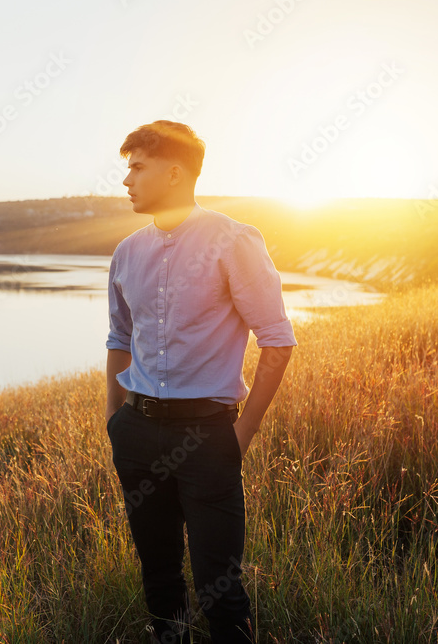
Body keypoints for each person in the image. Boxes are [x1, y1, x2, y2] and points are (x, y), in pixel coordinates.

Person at [104, 120, 296, 643]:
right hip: (137, 434)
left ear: (173, 173)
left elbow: (276, 340)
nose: (126, 180)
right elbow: (118, 338)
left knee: (221, 589)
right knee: (159, 579)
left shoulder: (233, 241)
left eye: (137, 167)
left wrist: (241, 435)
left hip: (209, 438)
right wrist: (113, 419)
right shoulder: (126, 253)